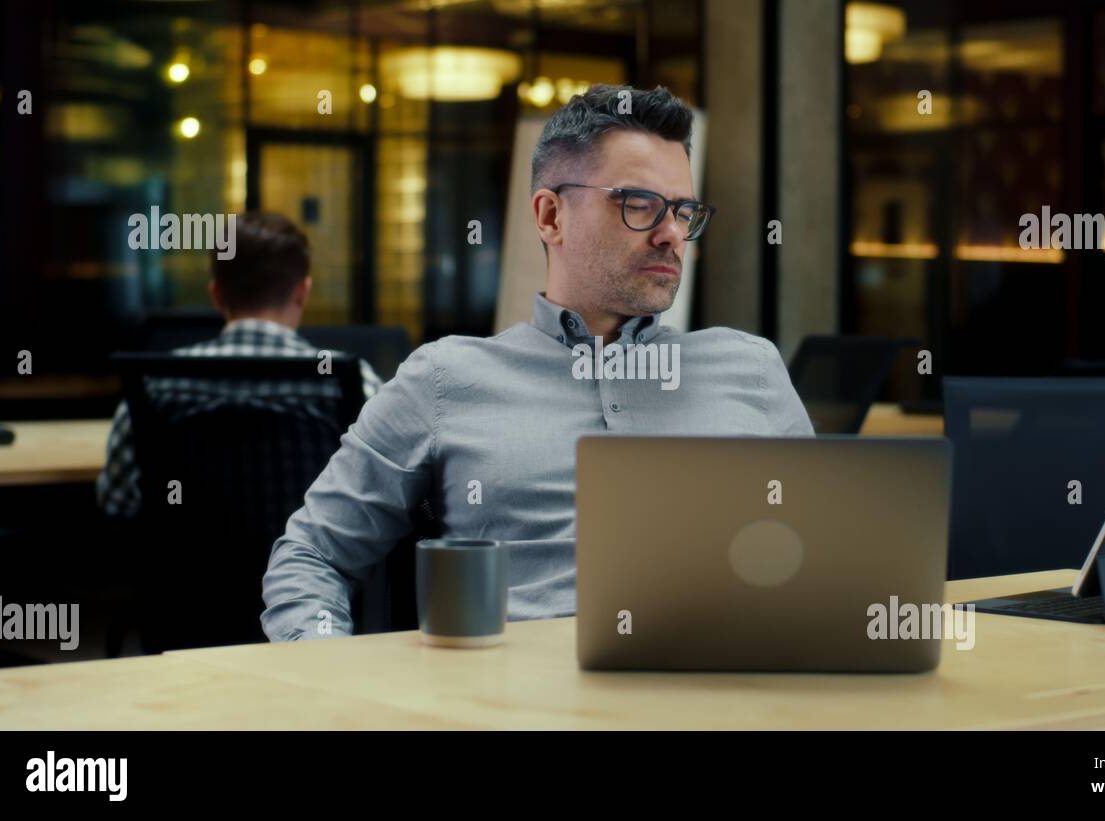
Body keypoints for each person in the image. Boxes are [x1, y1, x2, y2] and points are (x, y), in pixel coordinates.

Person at [261, 84, 813, 640]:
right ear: (551, 216)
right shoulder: (445, 380)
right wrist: (339, 690)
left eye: (684, 211)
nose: (671, 235)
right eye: (640, 205)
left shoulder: (750, 369)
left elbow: (826, 554)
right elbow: (312, 554)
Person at [96, 211, 382, 518]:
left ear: (216, 295)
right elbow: (388, 496)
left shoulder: (155, 385)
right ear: (302, 292)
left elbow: (117, 501)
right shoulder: (355, 381)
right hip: (315, 566)